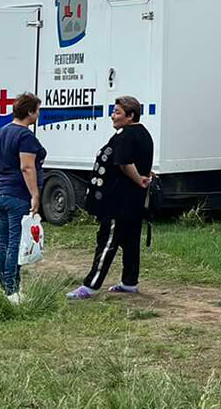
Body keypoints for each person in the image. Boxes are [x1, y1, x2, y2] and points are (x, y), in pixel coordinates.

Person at [67, 95, 154, 299]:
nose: (112, 116)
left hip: (119, 202)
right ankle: (129, 282)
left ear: (130, 115)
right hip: (134, 201)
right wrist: (143, 177)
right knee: (131, 242)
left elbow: (125, 163)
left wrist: (138, 179)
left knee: (107, 241)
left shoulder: (126, 135)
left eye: (117, 112)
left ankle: (91, 285)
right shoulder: (143, 134)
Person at [0, 92, 45, 304]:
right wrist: (35, 194)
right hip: (18, 195)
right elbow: (27, 167)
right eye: (37, 110)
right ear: (30, 112)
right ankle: (12, 291)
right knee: (15, 244)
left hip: (1, 193)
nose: (38, 114)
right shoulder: (25, 136)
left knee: (4, 242)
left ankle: (3, 287)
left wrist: (2, 167)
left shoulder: (4, 130)